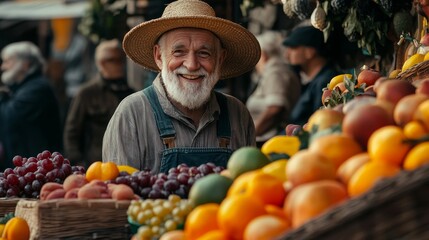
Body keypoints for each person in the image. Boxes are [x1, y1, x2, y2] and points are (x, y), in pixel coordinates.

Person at [102, 0, 260, 173]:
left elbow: (250, 189)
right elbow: (119, 194)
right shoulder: (132, 114)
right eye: (179, 52)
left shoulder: (238, 114)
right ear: (159, 56)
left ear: (220, 59)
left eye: (204, 53)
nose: (192, 65)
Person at [63, 39, 134, 168]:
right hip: (96, 164)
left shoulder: (131, 93)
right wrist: (78, 163)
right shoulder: (86, 94)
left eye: (121, 59)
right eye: (113, 59)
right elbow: (71, 132)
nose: (119, 64)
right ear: (101, 63)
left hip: (126, 163)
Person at [0, 41, 62, 170]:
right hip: (27, 168)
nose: (3, 67)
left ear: (25, 64)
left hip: (38, 169)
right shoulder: (20, 88)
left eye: (7, 61)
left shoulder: (38, 88)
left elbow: (11, 114)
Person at [246, 30, 300, 147]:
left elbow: (275, 108)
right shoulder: (272, 72)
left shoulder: (275, 72)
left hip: (268, 141)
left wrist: (250, 137)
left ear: (263, 55)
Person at [283, 25, 341, 126]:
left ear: (310, 52)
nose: (287, 55)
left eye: (293, 48)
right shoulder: (316, 81)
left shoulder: (325, 82)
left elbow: (320, 123)